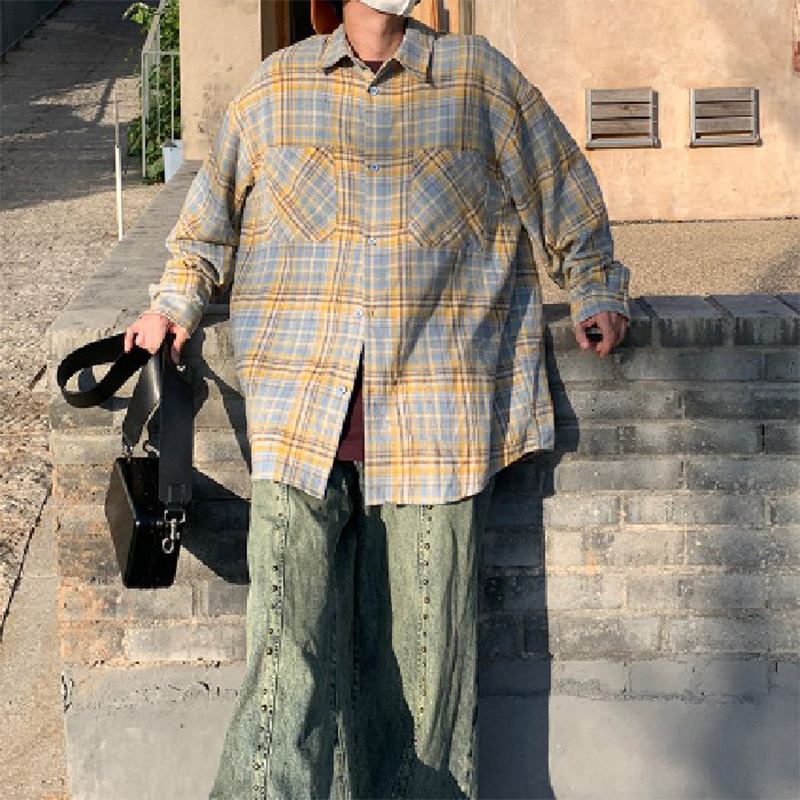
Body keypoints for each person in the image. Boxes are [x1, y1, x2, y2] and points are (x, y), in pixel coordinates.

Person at [124, 1, 629, 797]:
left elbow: (562, 187)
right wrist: (172, 307)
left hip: (436, 427)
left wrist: (595, 285)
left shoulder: (479, 81)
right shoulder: (274, 89)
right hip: (298, 424)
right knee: (284, 664)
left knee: (425, 683)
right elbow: (205, 229)